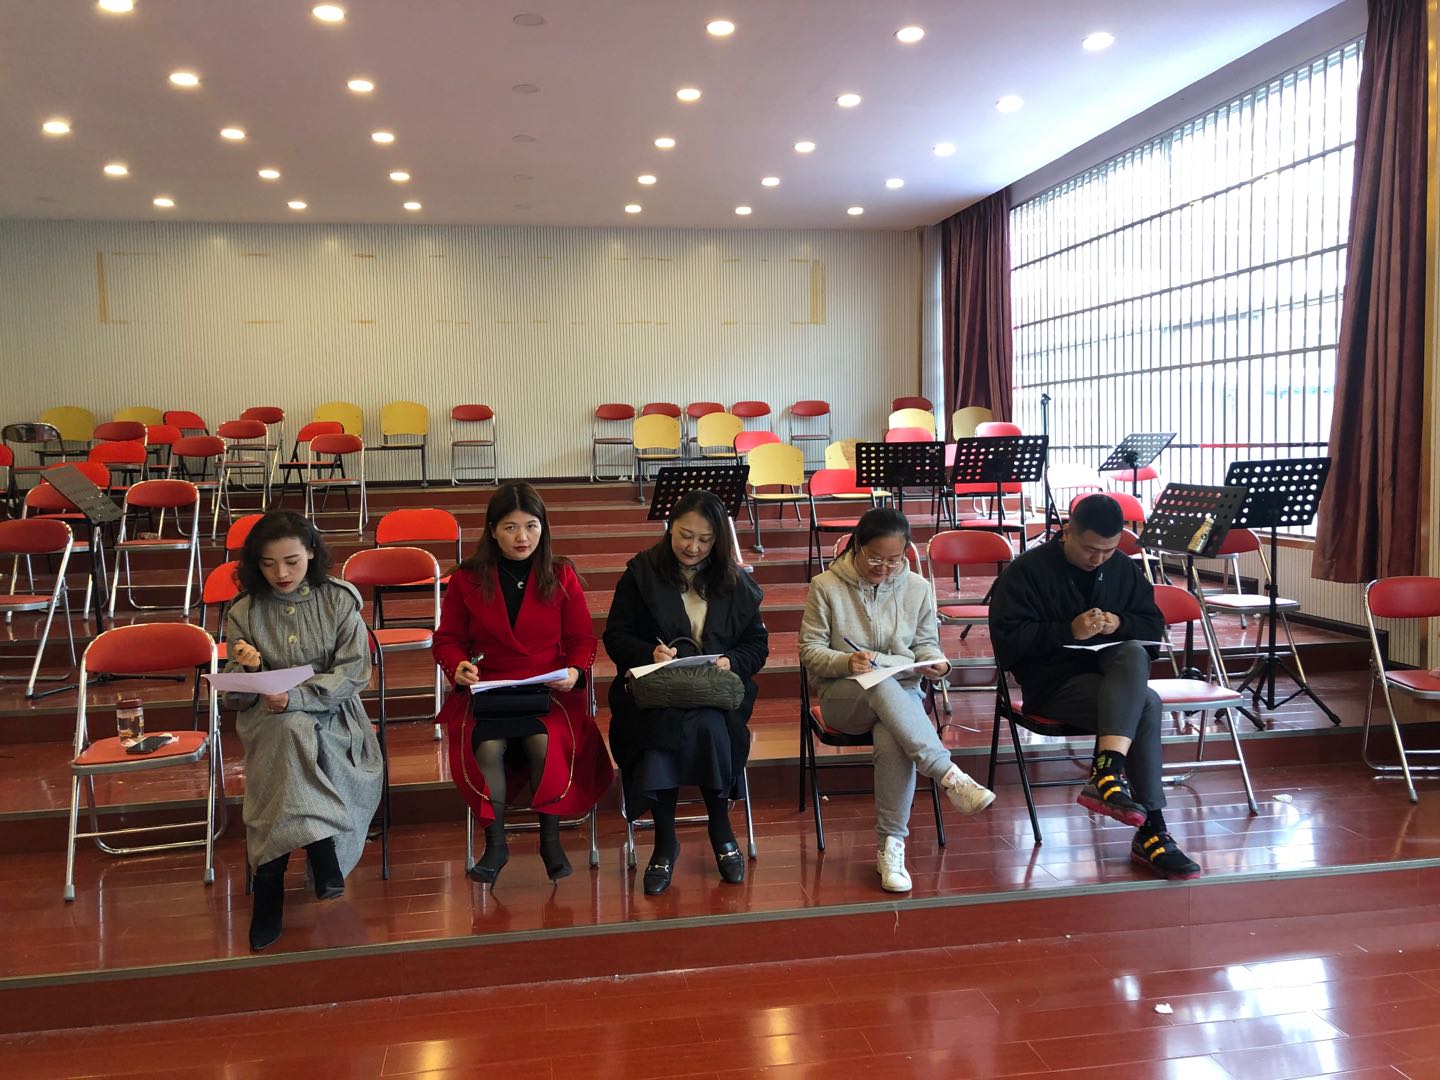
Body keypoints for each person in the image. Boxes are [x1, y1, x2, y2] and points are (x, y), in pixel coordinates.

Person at [988, 492, 1200, 880]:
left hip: (1113, 682)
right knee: (1147, 703)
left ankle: (1107, 772)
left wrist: (1120, 624)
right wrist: (1067, 631)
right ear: (1068, 531)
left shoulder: (1122, 569)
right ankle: (1152, 830)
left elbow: (1152, 625)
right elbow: (1008, 643)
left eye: (1108, 550)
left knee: (1133, 653)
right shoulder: (1027, 571)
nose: (1098, 558)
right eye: (1090, 549)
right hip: (1053, 685)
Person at [798, 507, 995, 893]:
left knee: (891, 733)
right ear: (856, 546)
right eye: (875, 558)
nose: (884, 568)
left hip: (901, 698)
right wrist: (845, 661)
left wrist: (937, 664)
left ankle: (890, 845)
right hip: (844, 696)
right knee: (878, 682)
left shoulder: (917, 587)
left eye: (893, 560)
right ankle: (948, 774)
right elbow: (809, 650)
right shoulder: (826, 585)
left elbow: (926, 644)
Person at [433, 481, 613, 887]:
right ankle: (496, 844)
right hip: (489, 689)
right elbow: (448, 640)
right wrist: (458, 666)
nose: (522, 537)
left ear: (543, 528)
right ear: (492, 530)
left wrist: (575, 671)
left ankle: (551, 841)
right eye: (511, 527)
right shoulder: (467, 578)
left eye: (531, 526)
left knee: (541, 740)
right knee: (487, 745)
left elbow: (582, 639)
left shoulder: (560, 573)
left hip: (548, 691)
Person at [221, 511, 383, 952]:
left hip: (333, 717)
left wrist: (296, 698)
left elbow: (354, 672)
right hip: (267, 721)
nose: (281, 573)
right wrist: (246, 669)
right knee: (287, 730)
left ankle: (269, 881)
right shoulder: (245, 610)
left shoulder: (339, 600)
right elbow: (235, 698)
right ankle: (320, 848)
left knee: (290, 728)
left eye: (291, 561)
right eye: (268, 564)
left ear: (311, 553)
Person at [603, 491, 769, 894]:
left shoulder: (733, 580)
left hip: (714, 693)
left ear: (718, 540)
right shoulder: (642, 573)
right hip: (655, 692)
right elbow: (616, 635)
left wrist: (732, 661)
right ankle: (665, 841)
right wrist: (649, 652)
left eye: (705, 539)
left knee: (711, 725)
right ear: (669, 529)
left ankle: (720, 828)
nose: (693, 547)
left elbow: (756, 645)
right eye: (685, 535)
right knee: (661, 728)